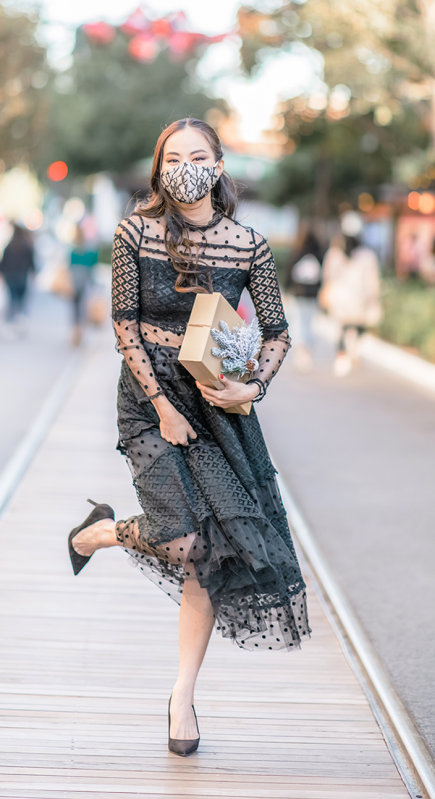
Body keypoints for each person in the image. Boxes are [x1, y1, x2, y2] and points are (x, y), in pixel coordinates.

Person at [67, 118, 310, 756]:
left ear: (219, 163)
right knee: (180, 537)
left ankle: (182, 695)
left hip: (220, 410)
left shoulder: (248, 244)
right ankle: (102, 531)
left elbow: (278, 332)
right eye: (173, 157)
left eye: (197, 156)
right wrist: (161, 407)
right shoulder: (134, 230)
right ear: (159, 167)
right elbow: (124, 326)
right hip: (150, 401)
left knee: (211, 551)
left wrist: (251, 386)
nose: (185, 167)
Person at [321, 212, 382, 377]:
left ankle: (342, 355)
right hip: (358, 300)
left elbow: (327, 276)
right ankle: (352, 349)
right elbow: (372, 282)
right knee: (358, 327)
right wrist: (373, 299)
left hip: (339, 301)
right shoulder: (368, 256)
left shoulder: (334, 254)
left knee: (341, 328)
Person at [287, 229, 324, 371]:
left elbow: (289, 274)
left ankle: (300, 354)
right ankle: (307, 354)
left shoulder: (298, 253)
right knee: (309, 325)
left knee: (298, 324)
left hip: (298, 296)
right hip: (313, 297)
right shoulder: (319, 255)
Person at [0, 223, 34, 337]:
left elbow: (3, 263)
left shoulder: (9, 246)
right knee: (21, 301)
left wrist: (2, 274)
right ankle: (20, 321)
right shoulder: (26, 245)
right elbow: (31, 262)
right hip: (22, 276)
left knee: (12, 300)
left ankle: (10, 324)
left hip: (11, 276)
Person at [68, 226, 99, 346]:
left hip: (74, 282)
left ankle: (75, 331)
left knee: (75, 309)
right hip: (86, 282)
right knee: (84, 309)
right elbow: (93, 267)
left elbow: (69, 267)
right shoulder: (90, 251)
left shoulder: (73, 251)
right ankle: (80, 331)